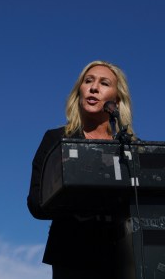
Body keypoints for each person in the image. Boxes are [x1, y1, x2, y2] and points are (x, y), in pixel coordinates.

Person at [27, 60, 137, 278]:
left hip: (126, 255)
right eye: (88, 81)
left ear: (116, 99)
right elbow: (36, 202)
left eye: (104, 83)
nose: (94, 87)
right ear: (79, 91)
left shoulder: (130, 146)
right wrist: (82, 205)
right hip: (72, 254)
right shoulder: (57, 139)